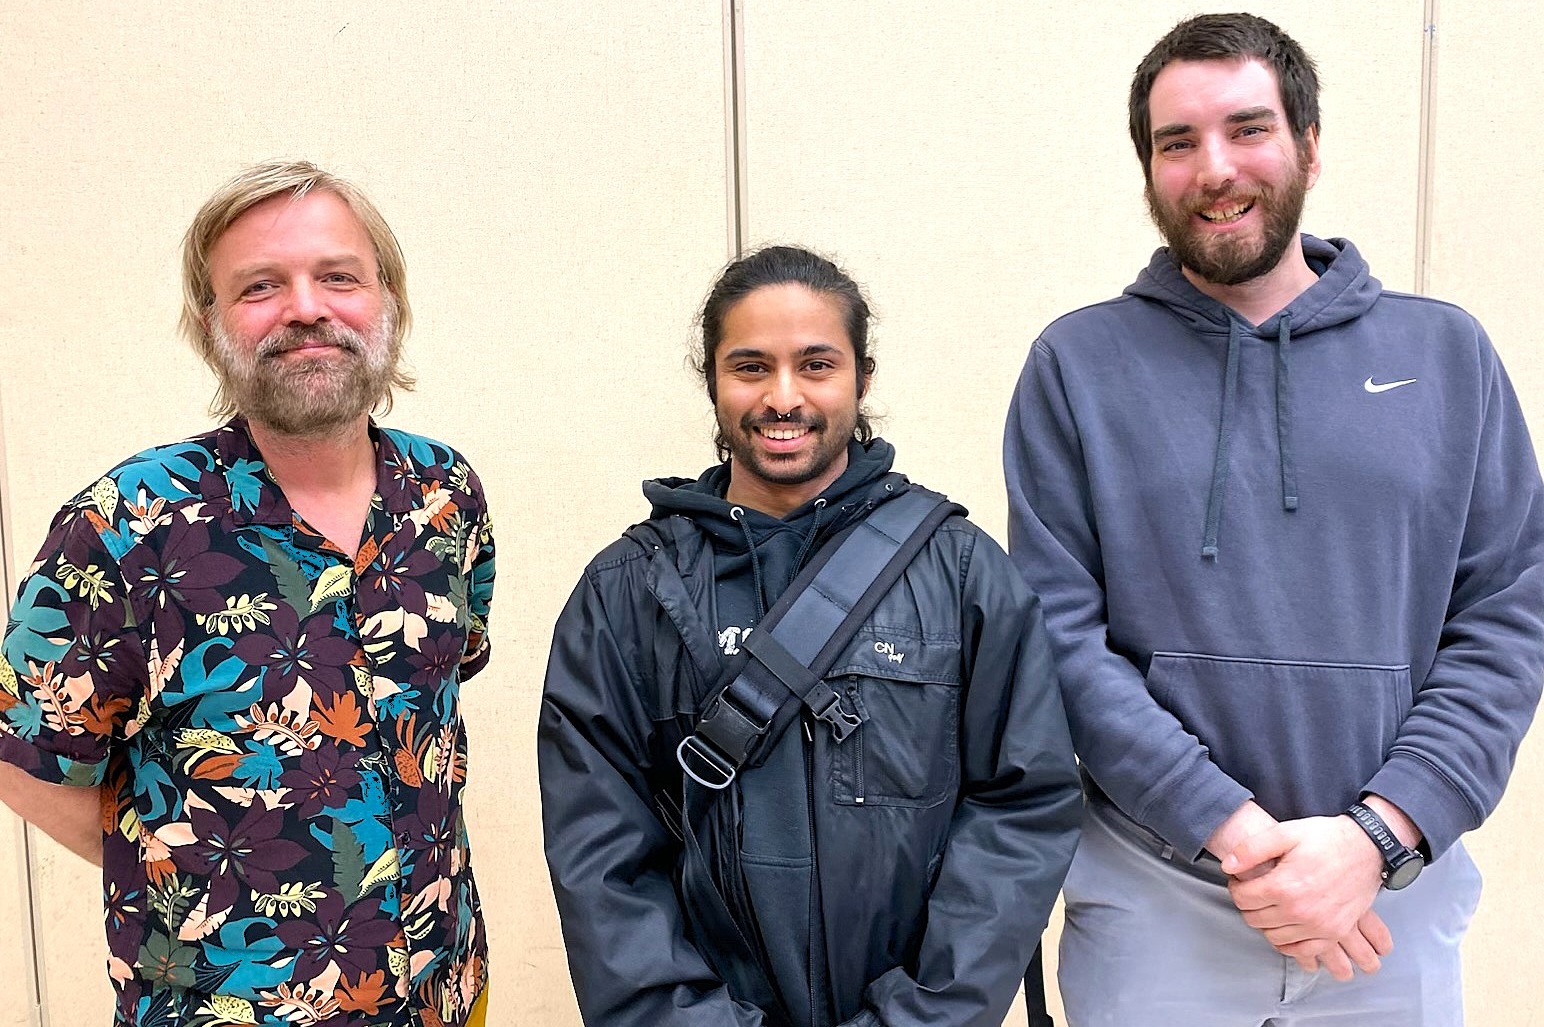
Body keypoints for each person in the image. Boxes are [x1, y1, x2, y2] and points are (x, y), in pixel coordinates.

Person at [1004, 13, 1544, 1026]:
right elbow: (1056, 638)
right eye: (1177, 142)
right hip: (1155, 902)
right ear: (1148, 168)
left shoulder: (1447, 358)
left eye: (1247, 128)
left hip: (1386, 904)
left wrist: (1375, 836)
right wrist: (1240, 834)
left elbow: (1507, 619)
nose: (1214, 168)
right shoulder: (1077, 368)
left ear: (1308, 143)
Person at [0, 161, 496, 1026]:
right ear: (212, 325)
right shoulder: (126, 526)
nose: (306, 307)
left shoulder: (446, 494)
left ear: (388, 300)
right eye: (260, 286)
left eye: (338, 276)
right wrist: (186, 869)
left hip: (446, 990)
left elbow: (436, 706)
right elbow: (26, 758)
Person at [539, 245, 1080, 1027]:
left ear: (862, 377)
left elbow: (1022, 807)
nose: (783, 396)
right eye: (751, 366)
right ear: (713, 380)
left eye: (816, 365)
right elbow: (602, 859)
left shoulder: (962, 573)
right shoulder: (627, 591)